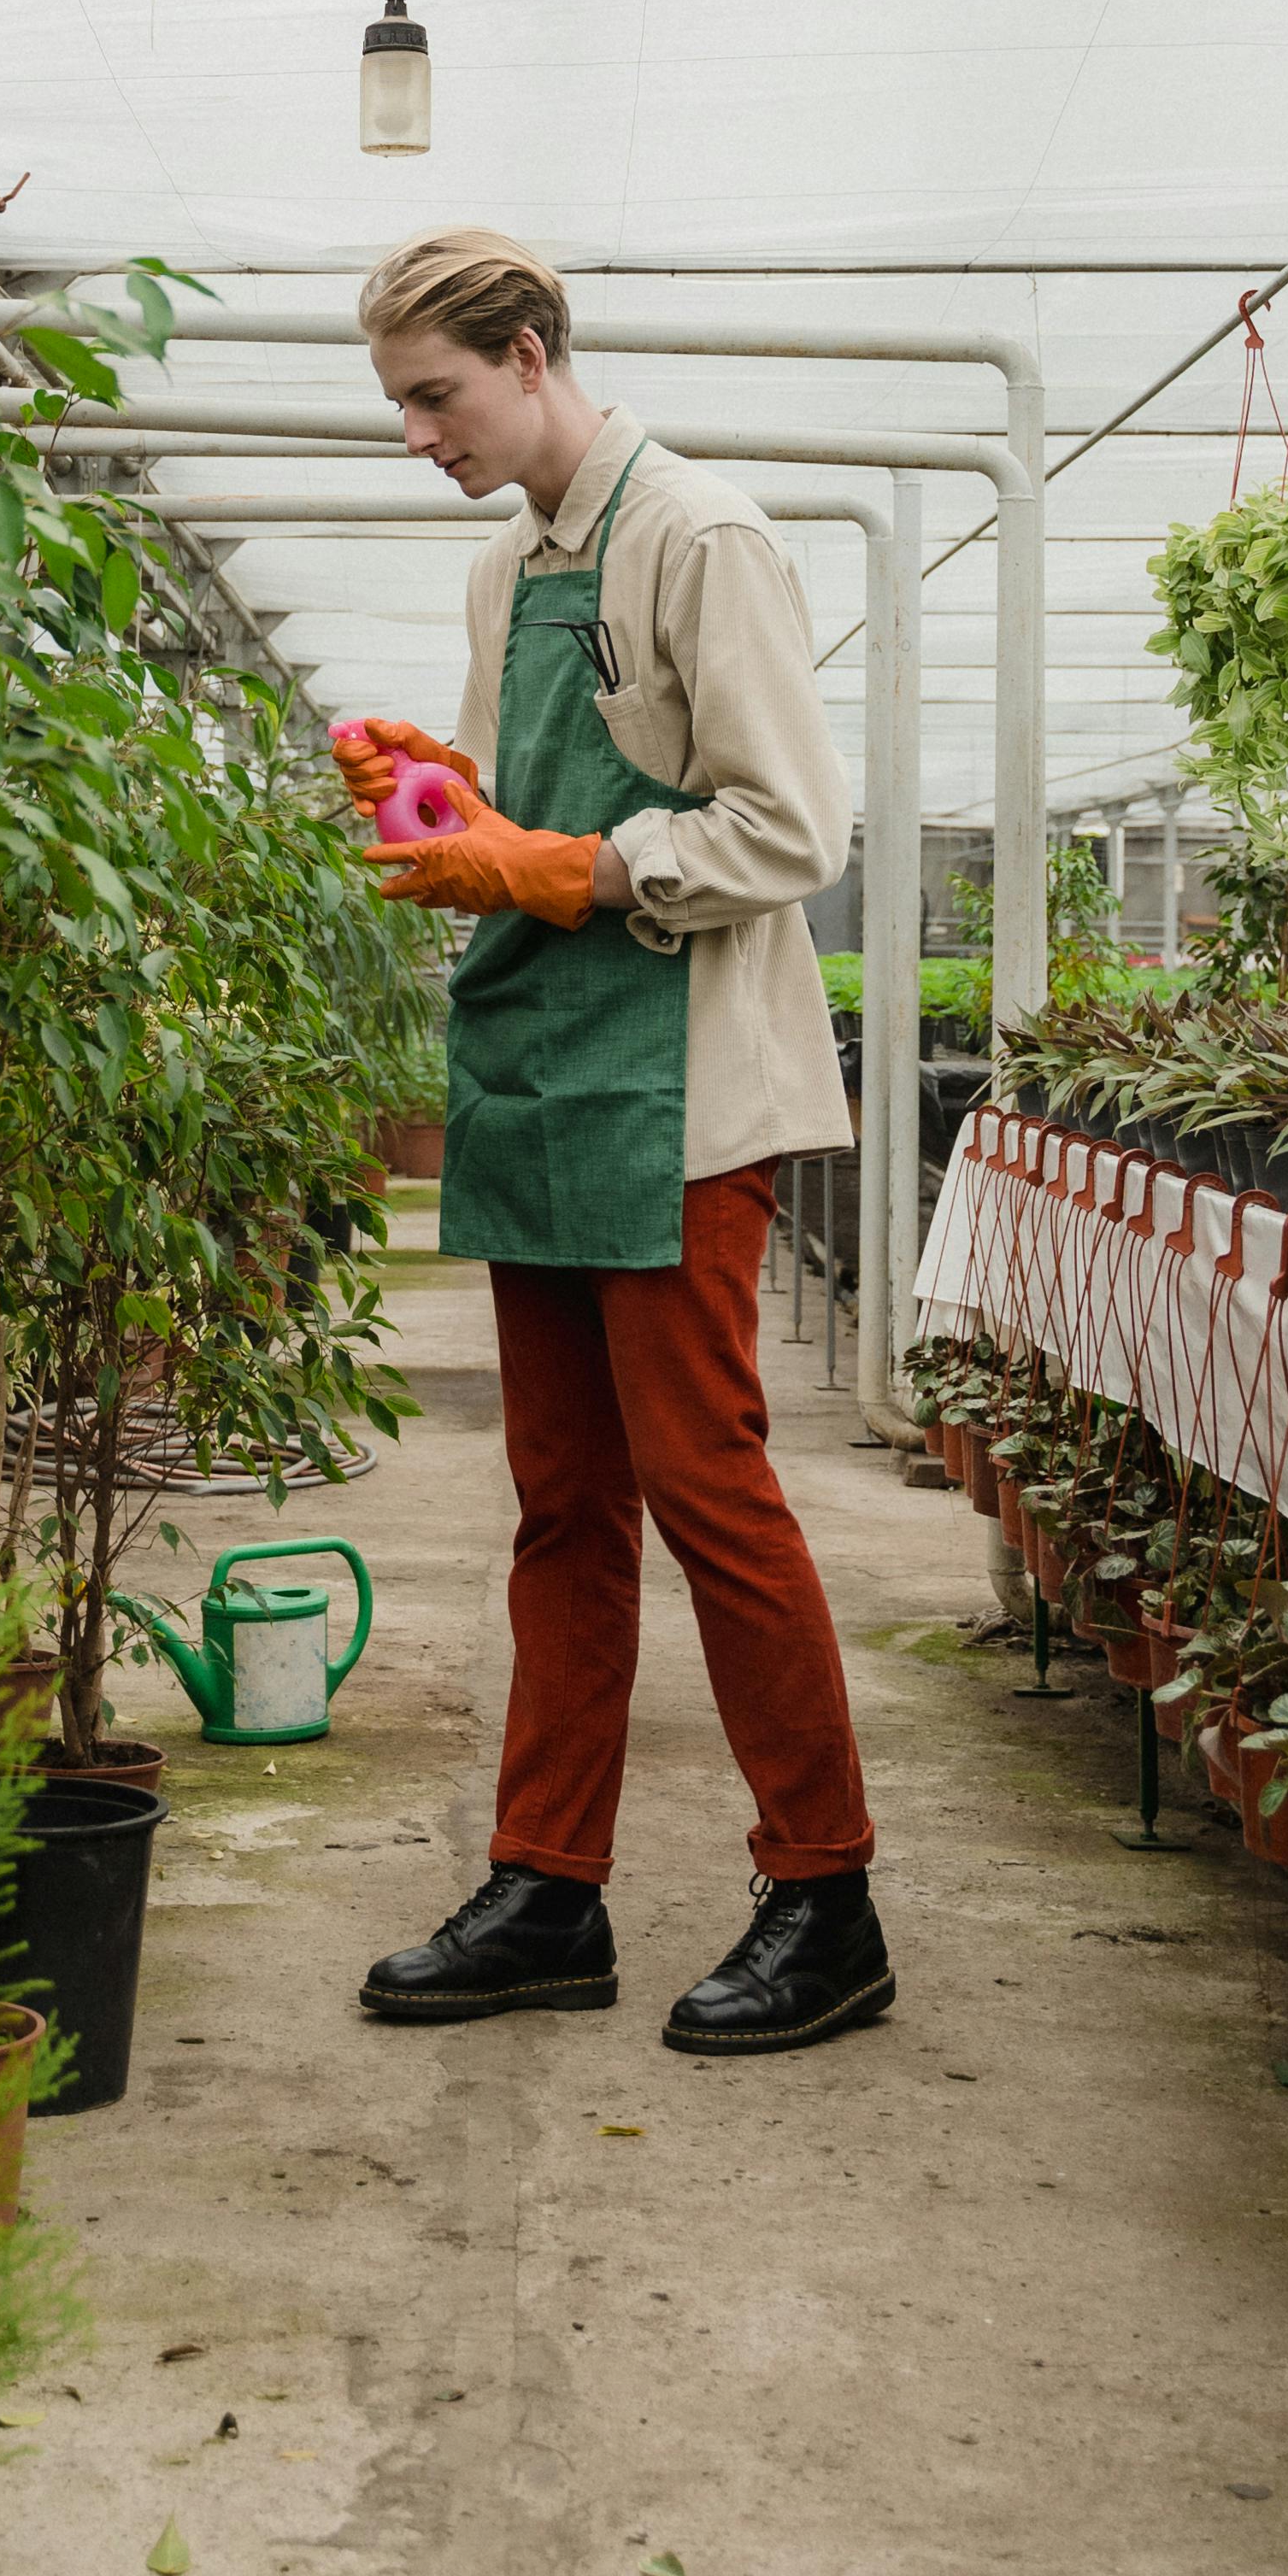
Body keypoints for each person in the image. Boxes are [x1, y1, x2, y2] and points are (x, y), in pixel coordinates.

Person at [335, 226, 892, 2059]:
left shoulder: (701, 537)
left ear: (530, 349)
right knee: (563, 1505)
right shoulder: (513, 570)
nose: (422, 435)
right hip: (543, 1069)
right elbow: (514, 807)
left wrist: (574, 865)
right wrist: (443, 800)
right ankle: (544, 1888)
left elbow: (792, 827)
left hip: (683, 1089)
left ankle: (825, 1898)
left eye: (438, 395)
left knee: (707, 1488)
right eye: (403, 406)